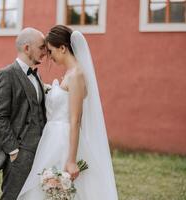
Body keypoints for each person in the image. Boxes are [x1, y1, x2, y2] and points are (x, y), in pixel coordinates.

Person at [17, 25, 118, 199]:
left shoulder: (77, 75)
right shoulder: (70, 73)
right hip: (52, 138)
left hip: (63, 141)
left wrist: (71, 160)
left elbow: (75, 119)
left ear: (63, 48)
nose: (49, 56)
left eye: (51, 51)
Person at [0, 27, 47, 200]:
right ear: (27, 48)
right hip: (19, 153)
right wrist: (13, 151)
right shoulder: (5, 75)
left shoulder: (37, 76)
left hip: (41, 151)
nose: (45, 52)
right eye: (41, 47)